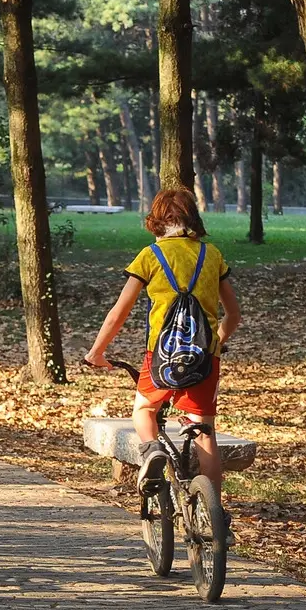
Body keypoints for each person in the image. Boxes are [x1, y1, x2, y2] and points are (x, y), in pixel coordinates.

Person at [84, 187, 241, 493]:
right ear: (192, 218)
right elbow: (233, 314)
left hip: (161, 355)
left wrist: (96, 352)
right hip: (204, 357)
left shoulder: (150, 256)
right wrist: (217, 343)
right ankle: (214, 516)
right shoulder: (212, 255)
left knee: (143, 411)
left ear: (155, 221)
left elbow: (119, 312)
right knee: (205, 432)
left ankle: (151, 451)